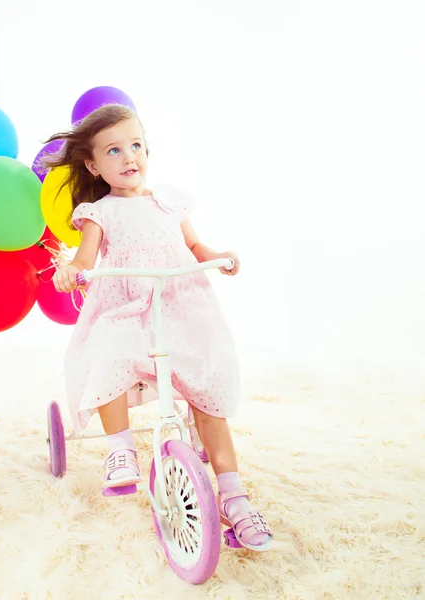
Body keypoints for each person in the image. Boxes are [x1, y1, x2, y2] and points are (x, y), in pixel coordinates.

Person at [44, 104, 272, 551]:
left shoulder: (169, 199)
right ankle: (121, 448)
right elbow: (86, 259)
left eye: (136, 146)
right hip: (127, 304)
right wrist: (71, 269)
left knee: (207, 387)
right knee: (106, 351)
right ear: (93, 165)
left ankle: (234, 497)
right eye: (114, 150)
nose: (129, 157)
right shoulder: (98, 212)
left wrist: (215, 256)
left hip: (180, 302)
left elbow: (192, 242)